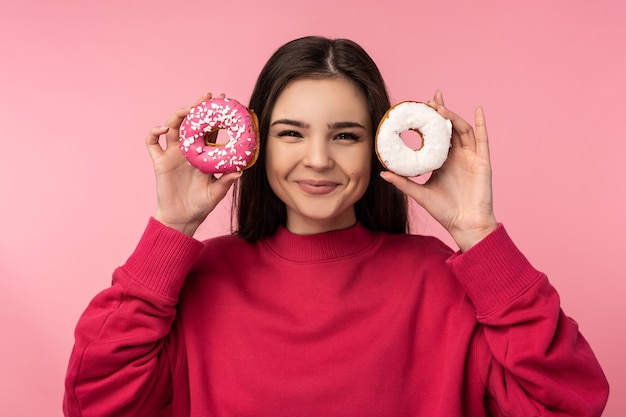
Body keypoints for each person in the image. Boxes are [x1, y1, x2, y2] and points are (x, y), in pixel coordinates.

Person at [63, 36, 609, 416]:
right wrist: (172, 229)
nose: (319, 159)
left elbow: (568, 402)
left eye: (345, 135)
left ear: (378, 146)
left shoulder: (444, 280)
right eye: (292, 134)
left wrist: (479, 235)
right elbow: (95, 402)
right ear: (255, 142)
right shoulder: (200, 278)